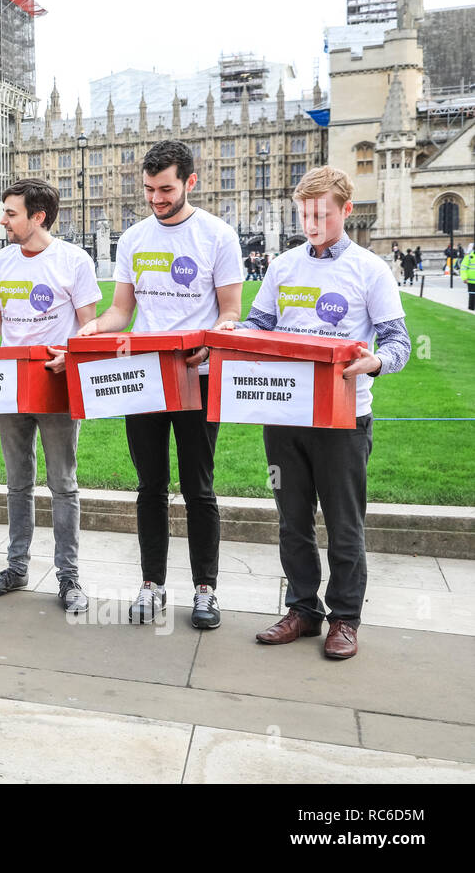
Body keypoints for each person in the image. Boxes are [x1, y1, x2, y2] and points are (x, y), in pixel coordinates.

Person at [219, 168, 410, 659]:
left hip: (344, 418)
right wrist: (234, 332)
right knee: (292, 520)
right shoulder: (283, 268)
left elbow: (398, 341)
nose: (312, 221)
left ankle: (344, 619)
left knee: (345, 524)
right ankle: (303, 610)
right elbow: (261, 325)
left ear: (346, 211)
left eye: (322, 213)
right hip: (283, 413)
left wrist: (376, 363)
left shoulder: (370, 269)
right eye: (305, 212)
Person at [77, 139, 243, 629]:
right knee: (150, 486)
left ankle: (205, 590)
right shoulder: (133, 239)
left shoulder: (217, 236)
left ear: (190, 181)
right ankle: (151, 585)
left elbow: (230, 313)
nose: (155, 198)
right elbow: (121, 312)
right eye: (148, 189)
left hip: (197, 376)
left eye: (165, 189)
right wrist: (93, 329)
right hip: (145, 376)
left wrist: (214, 342)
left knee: (199, 488)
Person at [0, 180, 101, 609]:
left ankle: (69, 577)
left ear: (38, 217)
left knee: (63, 484)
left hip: (56, 384)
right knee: (17, 482)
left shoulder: (73, 261)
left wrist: (69, 356)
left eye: (11, 213)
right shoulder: (2, 260)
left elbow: (87, 330)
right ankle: (17, 567)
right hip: (11, 385)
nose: (2, 220)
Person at [462, 245, 475, 310]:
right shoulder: (469, 257)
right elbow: (463, 268)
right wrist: (464, 278)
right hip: (471, 280)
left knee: (472, 294)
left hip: (471, 280)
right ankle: (471, 309)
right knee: (472, 295)